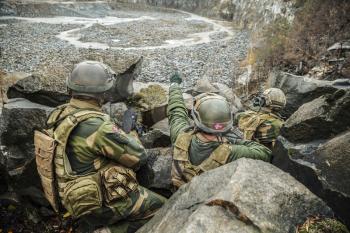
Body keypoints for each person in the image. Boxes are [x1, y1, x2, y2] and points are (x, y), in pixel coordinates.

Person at [35, 61, 166, 233]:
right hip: (97, 204)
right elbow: (139, 157)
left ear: (71, 88)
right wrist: (131, 133)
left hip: (69, 197)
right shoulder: (97, 126)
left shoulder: (58, 114)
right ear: (102, 93)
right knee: (163, 208)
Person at [167, 73, 272, 189]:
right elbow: (265, 153)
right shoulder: (232, 152)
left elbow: (176, 110)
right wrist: (233, 140)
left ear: (197, 118)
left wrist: (174, 85)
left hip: (177, 199)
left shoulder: (180, 135)